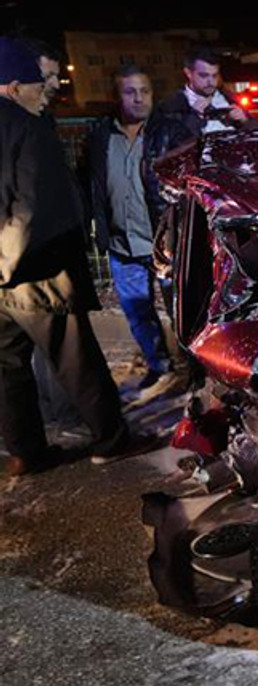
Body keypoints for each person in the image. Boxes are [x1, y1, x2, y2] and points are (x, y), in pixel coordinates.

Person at [0, 38, 154, 476]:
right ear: (12, 87)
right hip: (35, 270)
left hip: (3, 274)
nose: (45, 91)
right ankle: (110, 439)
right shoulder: (28, 128)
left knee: (8, 369)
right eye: (36, 84)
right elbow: (31, 208)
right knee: (76, 358)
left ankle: (25, 451)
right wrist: (7, 266)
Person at [85, 66, 178, 391]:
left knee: (181, 311)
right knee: (138, 313)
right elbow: (91, 185)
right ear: (116, 96)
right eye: (130, 91)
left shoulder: (169, 132)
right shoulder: (99, 135)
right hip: (122, 244)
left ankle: (193, 370)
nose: (139, 98)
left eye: (145, 91)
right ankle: (159, 366)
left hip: (165, 245)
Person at [154, 47, 256, 138]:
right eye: (204, 75)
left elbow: (256, 134)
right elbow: (168, 143)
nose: (210, 82)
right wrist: (194, 118)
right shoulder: (170, 106)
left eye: (214, 75)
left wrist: (245, 121)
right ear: (188, 73)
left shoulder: (229, 98)